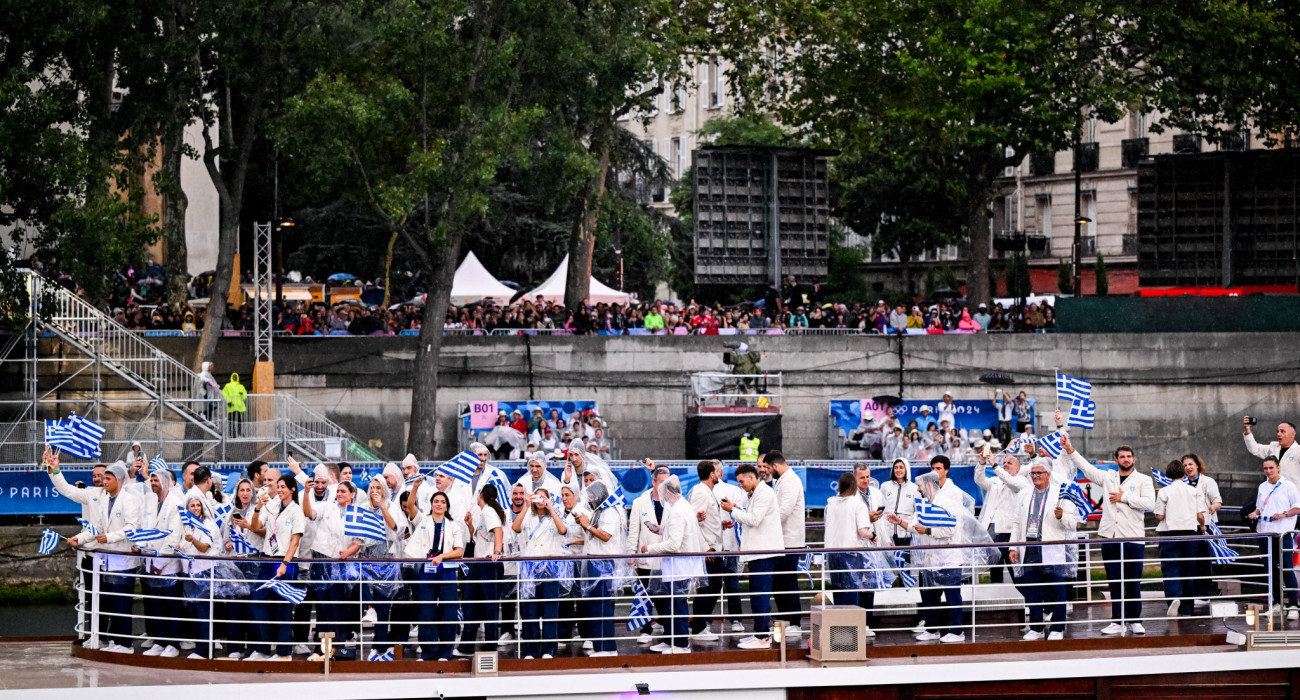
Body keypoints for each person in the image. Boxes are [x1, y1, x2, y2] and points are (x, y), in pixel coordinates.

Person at [45, 451, 144, 653]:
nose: (103, 482)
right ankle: (113, 641)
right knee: (108, 601)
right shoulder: (102, 499)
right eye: (101, 478)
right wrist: (79, 538)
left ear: (118, 479)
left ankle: (125, 644)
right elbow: (96, 528)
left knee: (122, 603)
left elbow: (132, 527)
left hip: (122, 559)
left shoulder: (130, 499)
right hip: (105, 560)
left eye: (107, 478)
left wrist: (110, 537)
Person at [1059, 433, 1154, 635]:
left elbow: (1150, 504)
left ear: (1134, 459)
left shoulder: (1144, 480)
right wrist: (1069, 449)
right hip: (1110, 537)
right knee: (1114, 581)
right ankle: (1117, 621)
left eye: (1129, 456)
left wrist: (1124, 497)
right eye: (1122, 457)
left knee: (1133, 581)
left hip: (1133, 537)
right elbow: (1087, 468)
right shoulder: (1108, 476)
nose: (1126, 460)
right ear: (1116, 460)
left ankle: (1135, 620)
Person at [889, 457, 967, 643]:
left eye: (920, 486)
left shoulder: (948, 502)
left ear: (929, 485)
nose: (918, 490)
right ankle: (932, 629)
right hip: (931, 557)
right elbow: (916, 525)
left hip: (949, 556)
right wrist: (900, 522)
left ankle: (957, 631)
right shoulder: (925, 503)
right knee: (930, 596)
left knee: (952, 595)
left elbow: (951, 529)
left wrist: (928, 531)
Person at [1008, 463, 1078, 640]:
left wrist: (1061, 516)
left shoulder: (1060, 494)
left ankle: (1057, 627)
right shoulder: (1024, 493)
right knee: (1033, 590)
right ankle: (1036, 627)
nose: (1035, 476)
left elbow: (1072, 523)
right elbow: (1016, 523)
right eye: (1033, 473)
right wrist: (1013, 546)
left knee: (1057, 590)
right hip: (1029, 548)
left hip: (1052, 548)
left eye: (1039, 473)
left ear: (1048, 474)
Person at [721, 463, 783, 649]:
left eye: (741, 481)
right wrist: (737, 510)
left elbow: (754, 520)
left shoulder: (763, 493)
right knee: (757, 594)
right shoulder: (758, 493)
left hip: (763, 552)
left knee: (760, 595)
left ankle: (762, 637)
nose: (740, 485)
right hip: (759, 552)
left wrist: (732, 510)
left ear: (751, 477)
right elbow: (753, 518)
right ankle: (760, 633)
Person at [642, 475, 706, 654]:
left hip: (679, 566)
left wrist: (649, 548)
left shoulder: (678, 510)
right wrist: (662, 530)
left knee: (677, 606)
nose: (661, 497)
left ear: (668, 492)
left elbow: (674, 544)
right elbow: (678, 535)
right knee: (672, 605)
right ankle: (671, 639)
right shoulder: (682, 507)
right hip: (678, 566)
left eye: (662, 493)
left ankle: (680, 643)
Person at [301, 479, 362, 660]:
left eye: (343, 491)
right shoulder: (327, 506)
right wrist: (306, 493)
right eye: (338, 491)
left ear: (352, 494)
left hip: (341, 564)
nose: (340, 494)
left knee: (338, 608)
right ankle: (321, 649)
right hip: (321, 561)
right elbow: (309, 512)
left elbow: (358, 542)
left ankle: (337, 648)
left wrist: (347, 553)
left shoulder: (357, 514)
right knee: (322, 607)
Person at [246, 473, 305, 660]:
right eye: (278, 486)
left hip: (285, 562)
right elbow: (255, 527)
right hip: (267, 559)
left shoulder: (296, 510)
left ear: (292, 489)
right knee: (257, 602)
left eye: (283, 487)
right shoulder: (271, 506)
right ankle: (263, 649)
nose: (279, 490)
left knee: (283, 608)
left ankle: (283, 652)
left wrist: (285, 563)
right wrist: (257, 508)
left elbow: (295, 541)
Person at [406, 491, 465, 661]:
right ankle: (428, 652)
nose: (439, 504)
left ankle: (445, 653)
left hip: (446, 569)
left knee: (449, 612)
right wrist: (415, 488)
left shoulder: (453, 525)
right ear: (431, 504)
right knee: (427, 611)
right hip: (427, 569)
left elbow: (459, 551)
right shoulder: (423, 520)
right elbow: (410, 505)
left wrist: (442, 556)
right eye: (436, 501)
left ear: (447, 506)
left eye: (442, 502)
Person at [512, 488, 568, 659]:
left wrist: (551, 508)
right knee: (530, 611)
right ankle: (531, 649)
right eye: (537, 496)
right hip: (530, 569)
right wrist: (526, 506)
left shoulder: (555, 516)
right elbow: (515, 527)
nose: (540, 500)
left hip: (550, 569)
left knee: (550, 611)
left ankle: (549, 649)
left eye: (543, 497)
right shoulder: (528, 515)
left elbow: (563, 530)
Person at [575, 481, 626, 657]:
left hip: (603, 563)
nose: (589, 499)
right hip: (594, 561)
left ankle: (607, 648)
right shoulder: (598, 511)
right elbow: (594, 535)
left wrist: (587, 525)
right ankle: (601, 646)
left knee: (602, 606)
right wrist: (583, 524)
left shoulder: (610, 512)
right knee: (595, 606)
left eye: (591, 496)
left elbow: (605, 536)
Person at [455, 484, 506, 657]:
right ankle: (472, 645)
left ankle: (483, 646)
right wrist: (470, 525)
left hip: (487, 563)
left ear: (481, 495)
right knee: (474, 604)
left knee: (483, 605)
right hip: (480, 563)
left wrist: (497, 552)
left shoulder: (488, 511)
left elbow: (498, 531)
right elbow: (480, 539)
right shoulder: (487, 512)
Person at [1246, 457, 1300, 619]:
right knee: (1271, 570)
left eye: (1271, 468)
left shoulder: (1289, 486)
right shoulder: (1262, 486)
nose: (1268, 471)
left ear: (1278, 468)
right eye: (1266, 468)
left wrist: (1283, 514)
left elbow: (1297, 508)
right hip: (1265, 533)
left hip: (1283, 533)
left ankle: (1293, 605)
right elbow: (1260, 507)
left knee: (1287, 568)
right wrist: (1255, 513)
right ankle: (1278, 602)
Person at [824, 472, 878, 633]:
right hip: (851, 551)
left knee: (837, 587)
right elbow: (863, 531)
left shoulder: (830, 504)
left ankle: (839, 625)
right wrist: (873, 536)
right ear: (854, 486)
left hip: (832, 551)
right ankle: (851, 627)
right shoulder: (857, 504)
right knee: (852, 588)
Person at [1155, 459, 1206, 618]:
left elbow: (1159, 516)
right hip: (1190, 533)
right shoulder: (1194, 491)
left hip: (1169, 533)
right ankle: (1187, 608)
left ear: (1169, 474)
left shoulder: (1164, 491)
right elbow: (1200, 516)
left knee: (1170, 569)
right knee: (1188, 570)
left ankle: (1173, 599)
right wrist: (1202, 526)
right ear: (1183, 474)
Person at [627, 464, 671, 645]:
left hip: (667, 557)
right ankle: (646, 629)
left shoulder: (675, 501)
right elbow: (633, 531)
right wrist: (631, 553)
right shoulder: (639, 502)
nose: (665, 486)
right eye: (661, 482)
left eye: (668, 482)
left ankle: (669, 629)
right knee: (645, 595)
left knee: (665, 597)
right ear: (653, 482)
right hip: (646, 558)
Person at [766, 451, 806, 640]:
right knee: (780, 583)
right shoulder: (784, 480)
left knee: (787, 582)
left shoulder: (790, 481)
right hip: (782, 541)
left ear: (775, 466)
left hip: (789, 542)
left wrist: (764, 525)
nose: (768, 472)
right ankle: (786, 619)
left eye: (768, 468)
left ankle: (794, 622)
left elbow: (784, 511)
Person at [974, 448, 1030, 584]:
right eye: (1004, 462)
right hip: (991, 531)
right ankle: (996, 594)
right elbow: (979, 480)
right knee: (995, 570)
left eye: (1009, 463)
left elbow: (1011, 483)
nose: (1005, 464)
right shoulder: (995, 480)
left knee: (1015, 571)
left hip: (1009, 533)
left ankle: (1023, 595)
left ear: (1018, 468)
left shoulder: (1023, 481)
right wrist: (982, 463)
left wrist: (995, 465)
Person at [178, 493, 218, 659]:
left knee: (204, 613)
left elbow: (203, 548)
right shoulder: (186, 525)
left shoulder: (208, 524)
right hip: (189, 573)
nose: (195, 508)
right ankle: (199, 646)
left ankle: (205, 650)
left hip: (204, 573)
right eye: (192, 505)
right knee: (193, 611)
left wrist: (193, 540)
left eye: (198, 505)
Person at [1182, 454, 1222, 603]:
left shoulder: (1208, 482)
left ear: (1197, 465)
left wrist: (1212, 508)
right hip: (1188, 525)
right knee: (1189, 560)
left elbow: (1218, 501)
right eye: (1185, 465)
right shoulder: (1182, 483)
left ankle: (1204, 594)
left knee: (1204, 560)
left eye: (1190, 464)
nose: (1188, 468)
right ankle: (1190, 593)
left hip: (1205, 525)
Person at [1243, 417, 1300, 486]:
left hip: (1292, 492)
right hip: (1272, 490)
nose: (1278, 434)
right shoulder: (1273, 446)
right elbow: (1255, 449)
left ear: (1292, 434)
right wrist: (1247, 431)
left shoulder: (1298, 450)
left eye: (1282, 431)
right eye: (1278, 431)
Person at [222, 372, 247, 436]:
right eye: (233, 376)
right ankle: (232, 434)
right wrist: (228, 401)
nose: (234, 377)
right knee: (231, 420)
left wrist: (242, 394)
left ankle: (239, 433)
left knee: (239, 420)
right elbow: (224, 394)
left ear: (237, 377)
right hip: (232, 405)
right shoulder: (228, 386)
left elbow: (245, 395)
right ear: (231, 377)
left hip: (238, 405)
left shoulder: (241, 386)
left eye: (235, 376)